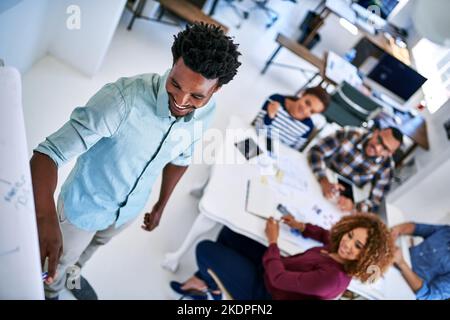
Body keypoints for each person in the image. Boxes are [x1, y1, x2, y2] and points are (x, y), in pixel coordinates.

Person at [30, 23, 241, 300]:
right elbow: (48, 154)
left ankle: (74, 276)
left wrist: (160, 205)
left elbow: (181, 158)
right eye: (175, 84)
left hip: (127, 211)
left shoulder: (207, 112)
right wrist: (44, 218)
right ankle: (50, 293)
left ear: (216, 90)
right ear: (173, 63)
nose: (180, 100)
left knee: (88, 253)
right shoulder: (121, 99)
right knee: (55, 265)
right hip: (83, 208)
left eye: (197, 95)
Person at [170, 213, 394, 300]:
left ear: (365, 257)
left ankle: (213, 290)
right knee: (230, 232)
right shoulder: (339, 248)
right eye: (350, 234)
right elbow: (327, 234)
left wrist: (273, 241)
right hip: (274, 270)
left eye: (358, 246)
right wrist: (302, 226)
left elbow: (278, 279)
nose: (347, 243)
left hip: (265, 292)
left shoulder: (333, 278)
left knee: (204, 249)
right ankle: (205, 279)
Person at [308, 126, 403, 213]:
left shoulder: (387, 168)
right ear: (375, 132)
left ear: (391, 153)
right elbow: (316, 151)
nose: (377, 148)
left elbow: (375, 202)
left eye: (385, 148)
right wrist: (324, 181)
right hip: (322, 177)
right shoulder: (350, 133)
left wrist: (354, 206)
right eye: (379, 140)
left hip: (345, 199)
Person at [254, 86, 330, 150]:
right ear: (303, 94)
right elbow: (256, 129)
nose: (305, 110)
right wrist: (269, 117)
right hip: (256, 143)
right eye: (307, 103)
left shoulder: (308, 127)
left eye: (312, 111)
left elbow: (294, 150)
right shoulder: (276, 100)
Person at [391, 222, 450, 300]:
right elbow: (417, 228)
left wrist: (402, 263)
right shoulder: (446, 231)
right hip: (394, 259)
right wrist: (397, 230)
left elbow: (427, 295)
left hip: (402, 287)